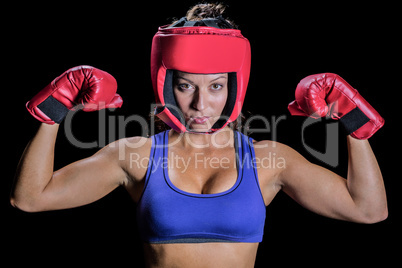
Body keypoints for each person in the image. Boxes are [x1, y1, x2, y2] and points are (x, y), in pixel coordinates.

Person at [11, 3, 387, 268]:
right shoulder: (136, 155)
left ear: (235, 87)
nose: (200, 104)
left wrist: (353, 122)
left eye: (216, 86)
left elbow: (367, 210)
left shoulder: (268, 159)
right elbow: (30, 199)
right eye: (186, 86)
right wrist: (54, 110)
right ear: (166, 83)